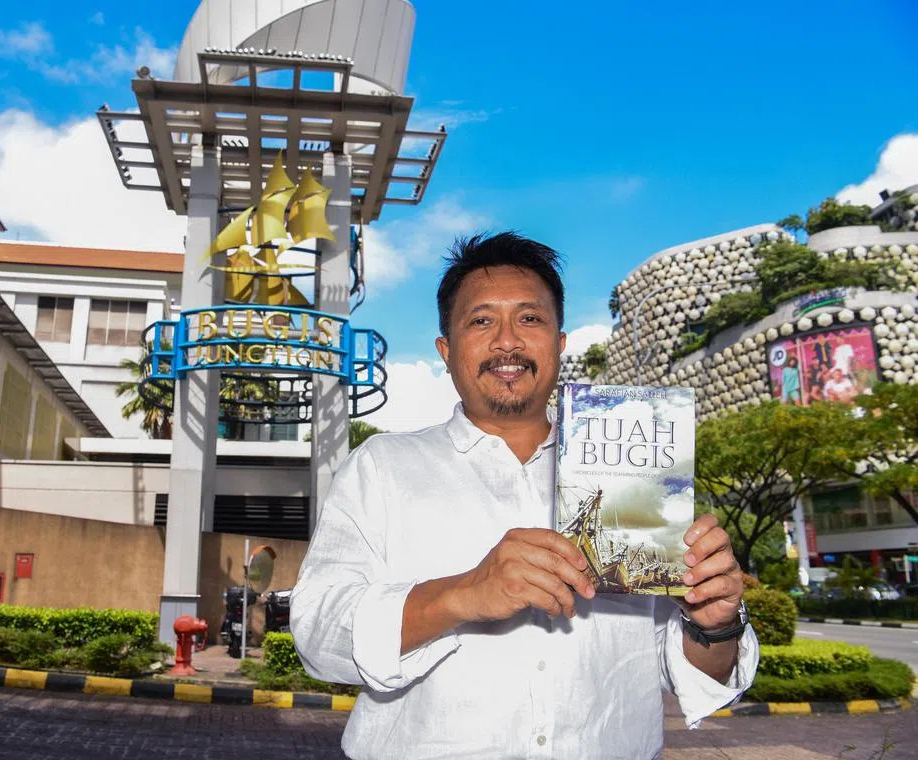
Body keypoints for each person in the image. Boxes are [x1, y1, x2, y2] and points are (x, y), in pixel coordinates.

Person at [290, 232, 758, 760]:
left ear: (559, 343)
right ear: (446, 351)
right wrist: (462, 594)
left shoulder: (631, 475)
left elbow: (685, 669)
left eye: (530, 319)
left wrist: (713, 624)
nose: (507, 341)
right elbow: (318, 631)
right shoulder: (381, 467)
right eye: (482, 320)